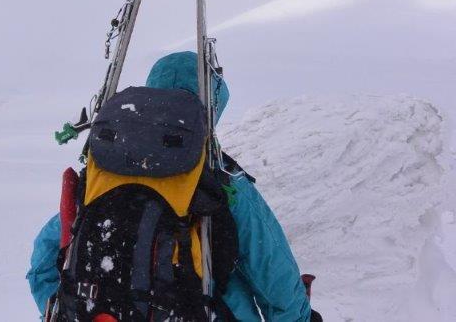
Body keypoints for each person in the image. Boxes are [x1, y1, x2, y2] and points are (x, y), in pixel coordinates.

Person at [27, 51, 320, 321]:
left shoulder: (105, 175)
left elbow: (44, 259)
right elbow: (275, 280)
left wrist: (63, 307)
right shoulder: (222, 185)